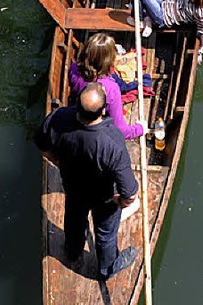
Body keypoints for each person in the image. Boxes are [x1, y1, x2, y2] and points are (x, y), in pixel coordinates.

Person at [34, 83, 139, 279]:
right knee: (106, 235)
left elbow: (42, 144)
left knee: (74, 220)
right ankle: (106, 270)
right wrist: (120, 201)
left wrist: (56, 161)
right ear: (104, 110)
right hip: (105, 198)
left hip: (73, 189)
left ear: (77, 105)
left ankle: (73, 251)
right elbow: (130, 194)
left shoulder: (59, 118)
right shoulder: (112, 141)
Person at [68, 34, 147, 139]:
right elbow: (121, 132)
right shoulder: (110, 88)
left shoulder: (73, 68)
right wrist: (140, 128)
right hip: (97, 128)